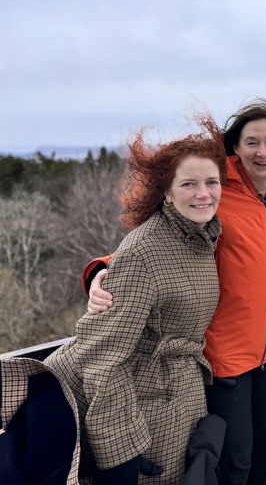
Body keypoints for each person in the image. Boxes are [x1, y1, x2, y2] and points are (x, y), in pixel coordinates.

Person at [85, 98, 266, 485]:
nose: (262, 151)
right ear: (235, 148)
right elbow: (161, 243)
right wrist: (102, 270)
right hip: (226, 357)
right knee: (236, 464)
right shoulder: (216, 195)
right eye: (251, 142)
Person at [44, 118, 227, 484]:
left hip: (180, 395)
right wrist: (120, 452)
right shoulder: (143, 251)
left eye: (211, 182)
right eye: (189, 184)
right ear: (166, 192)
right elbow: (102, 356)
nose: (203, 193)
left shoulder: (201, 235)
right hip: (144, 407)